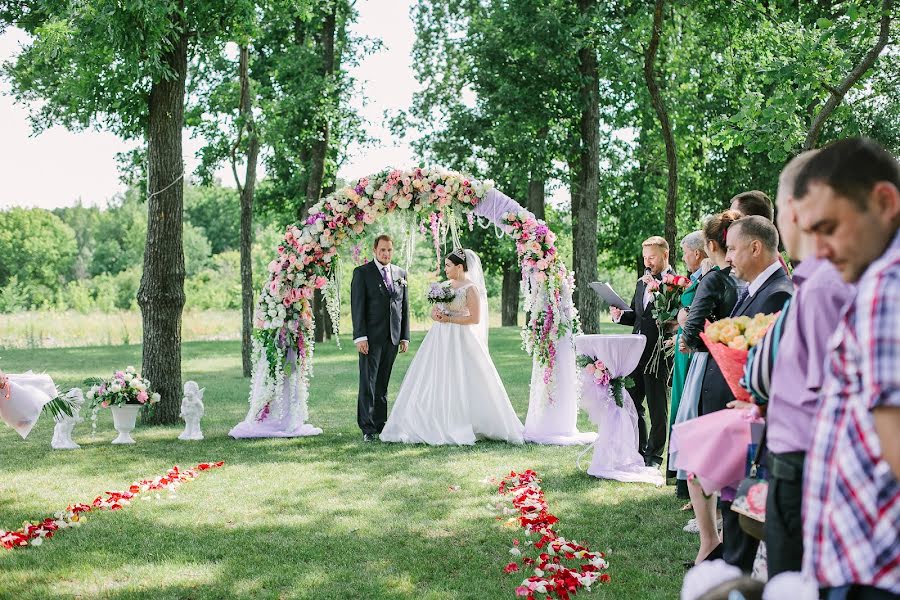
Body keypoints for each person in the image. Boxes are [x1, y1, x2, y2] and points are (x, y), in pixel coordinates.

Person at [792, 137, 900, 599]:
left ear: (883, 201)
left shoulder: (886, 285)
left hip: (872, 564)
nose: (819, 251)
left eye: (829, 228)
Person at [740, 151, 854, 578]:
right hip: (813, 449)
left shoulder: (823, 283)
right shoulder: (834, 275)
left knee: (791, 577)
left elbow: (776, 374)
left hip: (803, 453)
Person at [708, 216, 794, 572]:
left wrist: (758, 399)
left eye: (732, 249)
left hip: (761, 420)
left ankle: (737, 571)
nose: (728, 258)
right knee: (735, 506)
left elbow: (777, 366)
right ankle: (733, 564)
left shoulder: (777, 293)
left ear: (755, 247)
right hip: (748, 412)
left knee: (747, 509)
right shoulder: (760, 289)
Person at [380, 248, 524, 445]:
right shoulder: (445, 285)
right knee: (434, 376)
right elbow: (433, 311)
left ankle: (467, 421)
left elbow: (474, 318)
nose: (445, 269)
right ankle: (432, 420)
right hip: (439, 338)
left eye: (448, 265)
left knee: (465, 376)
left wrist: (448, 318)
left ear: (459, 266)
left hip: (462, 337)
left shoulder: (471, 288)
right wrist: (437, 316)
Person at [673, 211, 740, 564]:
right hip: (730, 369)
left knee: (703, 453)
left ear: (710, 245)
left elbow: (691, 331)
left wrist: (688, 331)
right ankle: (715, 541)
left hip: (711, 368)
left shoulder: (715, 278)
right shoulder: (740, 279)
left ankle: (712, 541)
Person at [610, 236, 676, 467]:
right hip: (635, 353)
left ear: (665, 255)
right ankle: (638, 450)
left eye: (652, 257)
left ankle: (654, 456)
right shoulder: (641, 282)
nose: (648, 262)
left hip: (658, 354)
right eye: (645, 257)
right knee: (631, 402)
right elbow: (638, 317)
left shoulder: (676, 283)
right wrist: (620, 316)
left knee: (658, 409)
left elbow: (673, 319)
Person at [351, 234, 410, 442]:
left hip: (392, 338)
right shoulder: (362, 273)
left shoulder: (400, 273)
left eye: (389, 250)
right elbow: (357, 307)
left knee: (382, 384)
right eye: (382, 250)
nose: (386, 253)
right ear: (375, 251)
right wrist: (360, 337)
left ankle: (380, 423)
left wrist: (404, 336)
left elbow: (404, 307)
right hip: (370, 338)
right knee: (368, 382)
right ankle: (367, 428)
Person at [668, 231, 708, 493]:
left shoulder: (706, 275)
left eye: (684, 252)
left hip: (694, 346)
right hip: (684, 341)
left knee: (686, 401)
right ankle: (678, 472)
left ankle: (686, 477)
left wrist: (685, 322)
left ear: (697, 252)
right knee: (680, 400)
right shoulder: (695, 277)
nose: (682, 257)